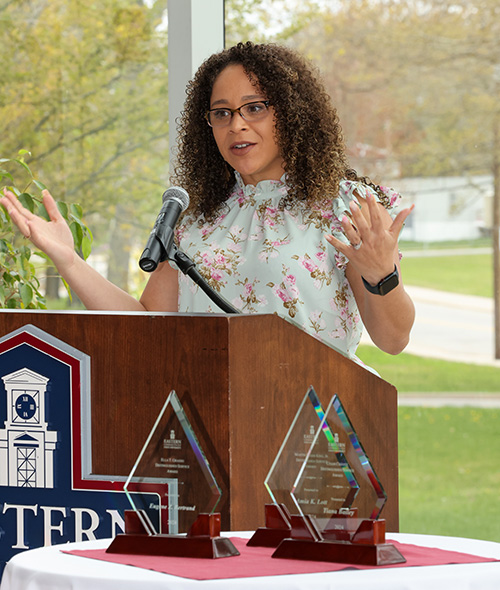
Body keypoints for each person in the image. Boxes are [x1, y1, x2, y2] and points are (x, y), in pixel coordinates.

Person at [0, 41, 414, 357]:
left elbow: (393, 340)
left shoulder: (346, 208)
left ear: (292, 112)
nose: (236, 125)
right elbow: (147, 326)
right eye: (222, 113)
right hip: (213, 417)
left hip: (312, 421)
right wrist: (69, 260)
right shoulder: (197, 220)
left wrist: (382, 274)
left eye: (254, 108)